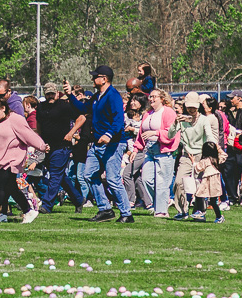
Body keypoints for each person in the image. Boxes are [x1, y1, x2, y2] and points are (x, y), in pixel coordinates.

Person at [65, 65, 132, 223]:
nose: (92, 79)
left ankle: (126, 213)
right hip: (97, 143)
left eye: (95, 76)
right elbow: (83, 108)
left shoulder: (113, 96)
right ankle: (105, 209)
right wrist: (70, 95)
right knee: (89, 174)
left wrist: (109, 134)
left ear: (104, 79)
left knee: (113, 179)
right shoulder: (97, 96)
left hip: (114, 143)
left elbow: (118, 120)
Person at [0, 96, 47, 224]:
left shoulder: (15, 119)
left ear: (3, 108)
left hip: (11, 159)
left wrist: (42, 146)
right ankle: (28, 211)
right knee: (11, 187)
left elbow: (28, 135)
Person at [35, 83, 85, 214]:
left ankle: (46, 205)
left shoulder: (64, 106)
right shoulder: (41, 107)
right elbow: (39, 125)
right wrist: (40, 141)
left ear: (57, 93)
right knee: (60, 176)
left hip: (62, 147)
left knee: (55, 176)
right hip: (48, 147)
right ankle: (78, 199)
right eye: (48, 94)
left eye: (52, 93)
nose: (50, 96)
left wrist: (71, 133)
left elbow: (81, 118)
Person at [131, 89, 178, 217]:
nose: (151, 99)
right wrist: (136, 149)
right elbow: (141, 134)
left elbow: (172, 133)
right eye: (150, 97)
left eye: (154, 97)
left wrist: (156, 133)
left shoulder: (168, 112)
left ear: (162, 98)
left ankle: (162, 211)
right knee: (146, 179)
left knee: (162, 181)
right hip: (149, 150)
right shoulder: (148, 114)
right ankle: (162, 202)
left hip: (163, 150)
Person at [172, 92, 218, 220]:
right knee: (178, 183)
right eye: (189, 107)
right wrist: (175, 123)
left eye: (194, 107)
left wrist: (212, 149)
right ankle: (182, 211)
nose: (191, 110)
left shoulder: (204, 119)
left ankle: (200, 212)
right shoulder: (182, 120)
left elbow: (209, 135)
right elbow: (170, 135)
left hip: (201, 155)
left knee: (200, 185)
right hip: (186, 155)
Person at [190, 142, 225, 223]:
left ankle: (201, 211)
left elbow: (198, 168)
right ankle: (218, 216)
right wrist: (219, 149)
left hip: (208, 179)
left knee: (199, 194)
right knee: (213, 201)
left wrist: (193, 162)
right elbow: (224, 155)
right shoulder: (216, 159)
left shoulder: (205, 161)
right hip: (215, 180)